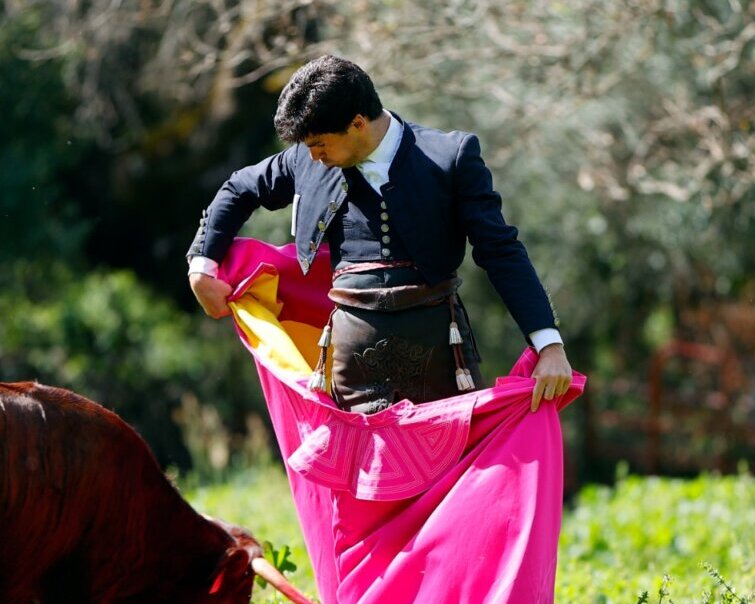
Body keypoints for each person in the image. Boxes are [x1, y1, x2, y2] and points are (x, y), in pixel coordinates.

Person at [186, 55, 572, 413]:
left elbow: (500, 250)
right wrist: (202, 265)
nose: (314, 156)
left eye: (320, 144)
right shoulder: (306, 158)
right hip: (350, 368)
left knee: (454, 480)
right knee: (362, 486)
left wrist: (548, 344)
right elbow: (239, 189)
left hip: (441, 356)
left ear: (357, 123)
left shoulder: (450, 156)